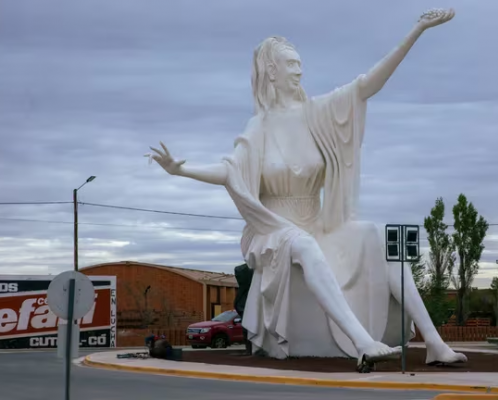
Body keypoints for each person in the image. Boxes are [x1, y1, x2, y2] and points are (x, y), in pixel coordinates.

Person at [147, 8, 466, 366]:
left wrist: (417, 31)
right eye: (291, 63)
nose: (299, 69)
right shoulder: (260, 126)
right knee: (304, 245)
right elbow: (229, 171)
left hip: (317, 223)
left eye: (300, 63)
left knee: (376, 234)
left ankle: (435, 343)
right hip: (274, 229)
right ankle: (363, 342)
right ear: (271, 71)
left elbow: (367, 85)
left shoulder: (318, 114)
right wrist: (181, 169)